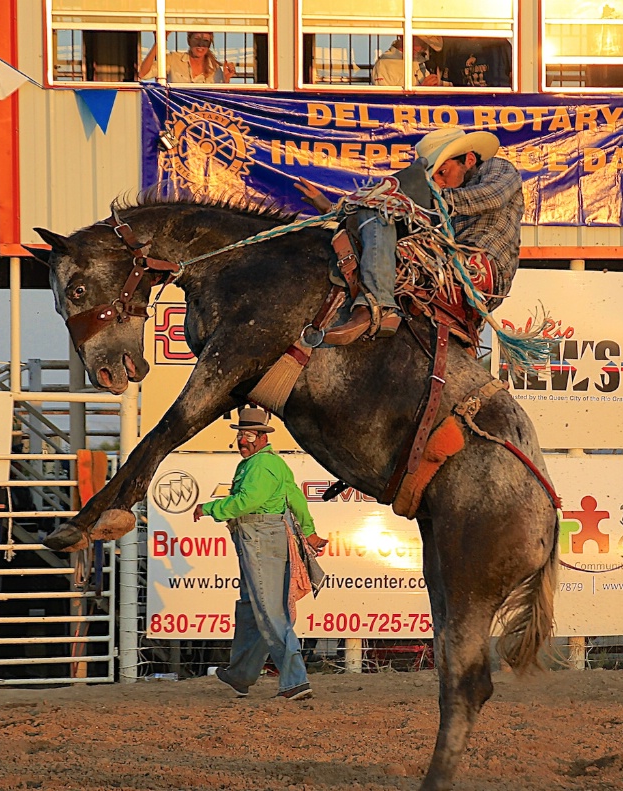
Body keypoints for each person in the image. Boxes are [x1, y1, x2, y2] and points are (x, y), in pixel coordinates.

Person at [302, 127, 523, 346]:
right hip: (449, 267)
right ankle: (378, 305)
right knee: (381, 216)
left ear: (470, 159)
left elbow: (491, 197)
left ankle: (375, 305)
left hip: (482, 270)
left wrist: (422, 197)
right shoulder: (443, 205)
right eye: (435, 178)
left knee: (386, 208)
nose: (440, 183)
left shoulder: (498, 167)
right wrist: (333, 209)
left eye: (442, 172)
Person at [193, 407, 326, 701]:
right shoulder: (271, 464)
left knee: (268, 611)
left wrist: (210, 508)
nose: (243, 440)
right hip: (262, 536)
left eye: (249, 434)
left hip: (259, 538)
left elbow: (246, 501)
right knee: (253, 608)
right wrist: (310, 531)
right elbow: (295, 498)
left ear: (262, 437)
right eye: (241, 434)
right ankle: (241, 674)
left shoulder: (258, 466)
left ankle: (294, 681)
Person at [137, 31, 235, 83]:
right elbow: (143, 74)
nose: (200, 44)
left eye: (205, 41)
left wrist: (226, 80)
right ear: (189, 40)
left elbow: (219, 100)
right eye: (196, 39)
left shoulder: (215, 70)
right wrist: (159, 41)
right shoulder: (173, 60)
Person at [371, 34, 444, 87]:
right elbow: (385, 101)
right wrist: (422, 89)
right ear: (406, 37)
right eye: (422, 42)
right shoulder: (385, 64)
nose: (424, 47)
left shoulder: (419, 61)